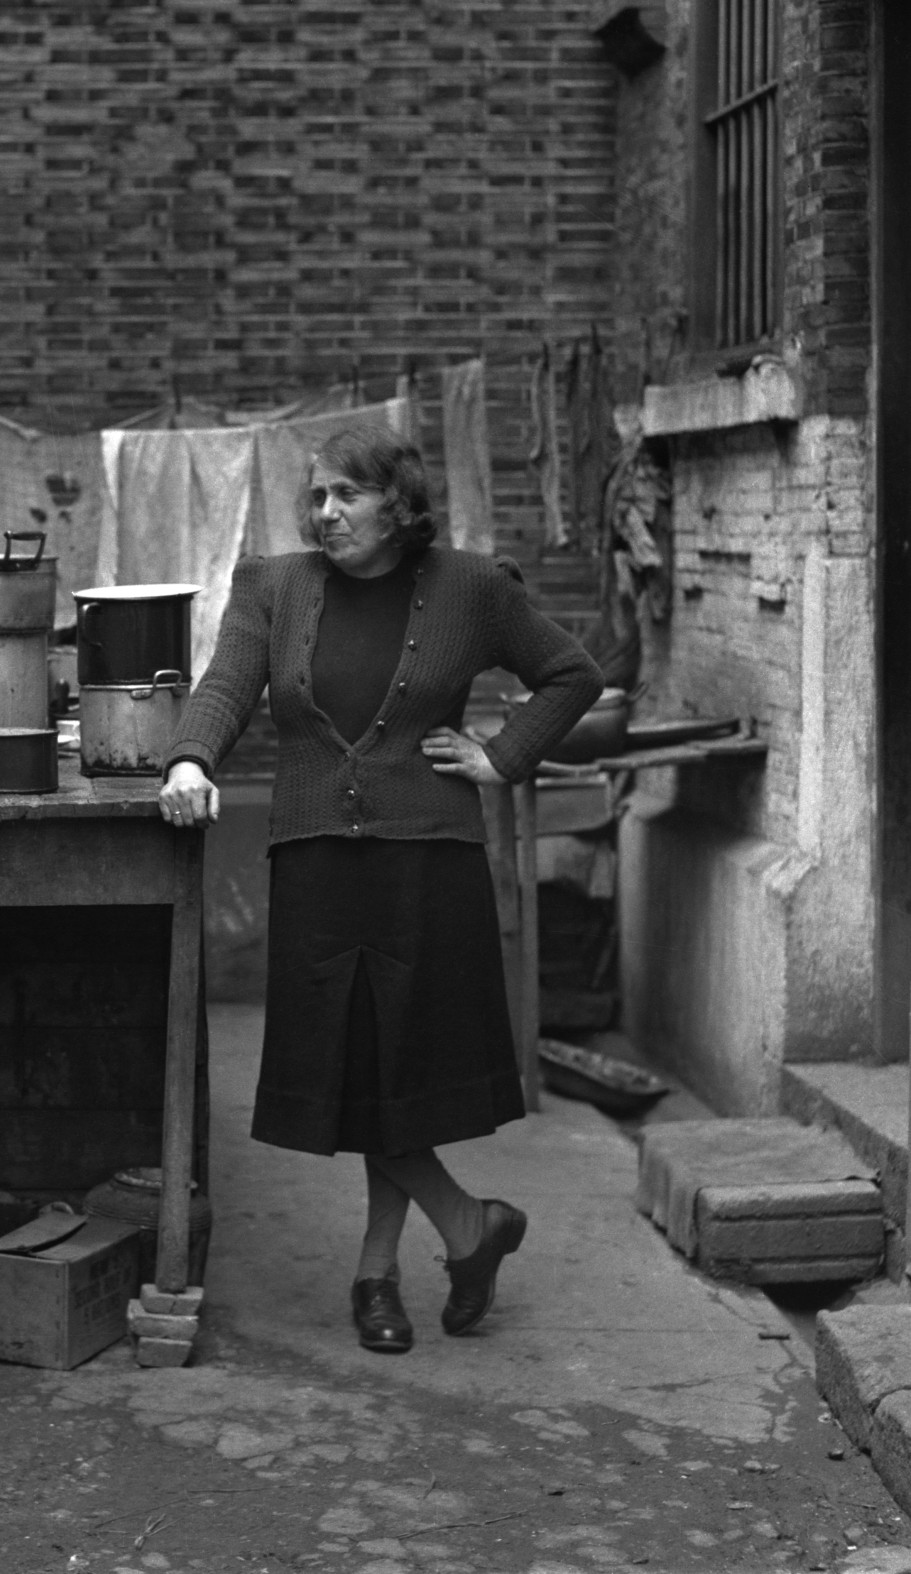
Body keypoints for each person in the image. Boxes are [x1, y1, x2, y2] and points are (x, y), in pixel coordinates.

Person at [157, 422, 602, 1353]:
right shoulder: (273, 585)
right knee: (349, 1072)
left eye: (344, 496)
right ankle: (467, 1228)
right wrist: (191, 758)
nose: (323, 514)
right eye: (314, 497)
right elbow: (226, 682)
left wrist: (502, 756)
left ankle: (375, 1276)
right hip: (316, 859)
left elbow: (571, 673)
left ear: (397, 505)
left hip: (426, 862)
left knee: (395, 1075)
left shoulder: (472, 587)